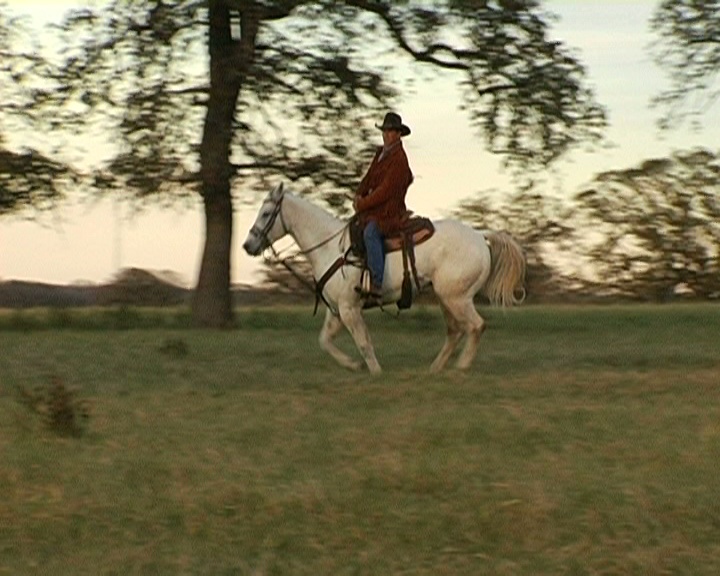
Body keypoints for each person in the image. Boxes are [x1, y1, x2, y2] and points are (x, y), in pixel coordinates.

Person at [353, 112, 414, 302]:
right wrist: (359, 193)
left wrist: (362, 204)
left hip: (390, 212)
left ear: (398, 134)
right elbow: (369, 177)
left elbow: (385, 191)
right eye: (385, 131)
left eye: (390, 131)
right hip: (376, 209)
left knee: (371, 232)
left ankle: (377, 284)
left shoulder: (399, 161)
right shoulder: (380, 154)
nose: (386, 135)